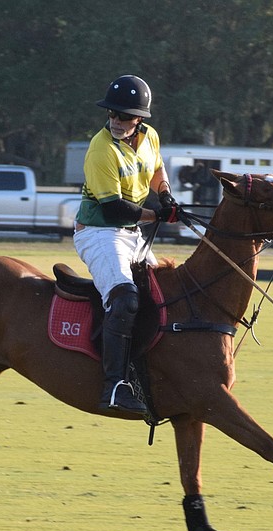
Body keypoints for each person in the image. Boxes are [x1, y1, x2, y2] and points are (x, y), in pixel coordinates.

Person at [73, 74, 180, 415]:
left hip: (132, 233)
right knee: (125, 299)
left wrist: (165, 196)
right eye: (112, 114)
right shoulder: (100, 148)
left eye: (124, 116)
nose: (116, 121)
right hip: (99, 231)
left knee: (164, 290)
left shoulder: (150, 137)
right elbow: (114, 208)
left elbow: (157, 169)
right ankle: (115, 386)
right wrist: (156, 214)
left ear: (140, 119)